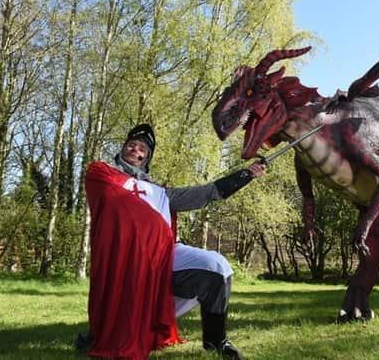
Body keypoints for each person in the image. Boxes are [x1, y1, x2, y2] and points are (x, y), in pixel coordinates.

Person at [78, 123, 266, 360]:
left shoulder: (161, 192)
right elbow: (113, 202)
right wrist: (155, 229)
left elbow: (206, 193)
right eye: (131, 145)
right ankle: (111, 330)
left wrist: (246, 175)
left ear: (146, 157)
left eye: (142, 149)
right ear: (123, 150)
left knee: (218, 267)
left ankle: (216, 342)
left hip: (163, 253)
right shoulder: (103, 173)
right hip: (125, 261)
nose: (135, 149)